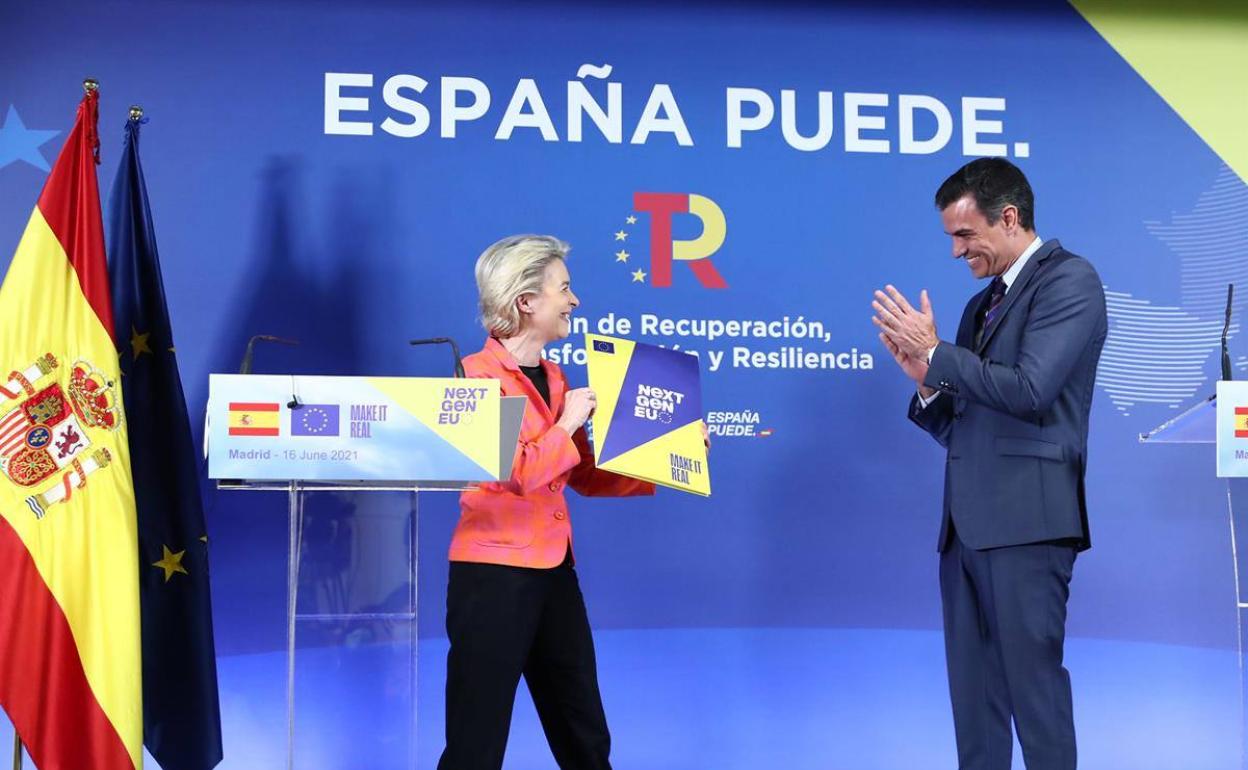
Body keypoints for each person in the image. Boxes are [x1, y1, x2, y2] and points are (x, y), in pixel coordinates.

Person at [872, 158, 1107, 770]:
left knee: (1034, 695)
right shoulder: (980, 306)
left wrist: (939, 355)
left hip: (1028, 524)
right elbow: (964, 421)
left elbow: (1031, 390)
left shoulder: (1070, 281)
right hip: (966, 529)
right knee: (974, 703)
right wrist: (926, 380)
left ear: (1009, 218)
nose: (956, 251)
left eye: (965, 234)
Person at [438, 234, 662, 770]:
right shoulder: (471, 376)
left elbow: (580, 473)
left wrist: (663, 456)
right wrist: (567, 423)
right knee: (476, 743)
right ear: (525, 301)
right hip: (492, 576)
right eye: (564, 288)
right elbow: (515, 473)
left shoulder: (556, 378)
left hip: (555, 572)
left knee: (585, 734)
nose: (574, 300)